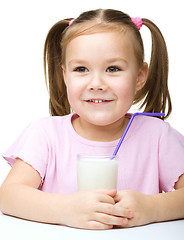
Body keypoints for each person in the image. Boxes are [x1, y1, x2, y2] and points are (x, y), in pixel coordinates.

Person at [0, 8, 184, 230]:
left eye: (113, 68)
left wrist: (153, 207)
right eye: (81, 69)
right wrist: (65, 208)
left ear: (139, 76)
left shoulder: (157, 136)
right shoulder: (45, 135)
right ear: (65, 75)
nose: (96, 83)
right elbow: (8, 195)